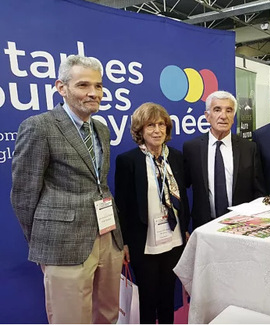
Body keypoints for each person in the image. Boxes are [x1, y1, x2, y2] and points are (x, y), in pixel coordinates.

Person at [10, 55, 124, 323]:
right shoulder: (39, 126)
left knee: (108, 314)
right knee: (70, 319)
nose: (93, 93)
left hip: (107, 236)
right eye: (83, 85)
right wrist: (43, 243)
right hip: (62, 244)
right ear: (62, 87)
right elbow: (23, 195)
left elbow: (100, 183)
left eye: (98, 86)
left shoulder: (101, 129)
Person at [115, 103, 189, 324]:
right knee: (148, 297)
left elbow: (182, 195)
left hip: (173, 238)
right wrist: (124, 242)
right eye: (150, 125)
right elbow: (123, 206)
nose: (157, 130)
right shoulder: (128, 161)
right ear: (140, 130)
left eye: (161, 125)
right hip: (144, 242)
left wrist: (184, 227)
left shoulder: (175, 157)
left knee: (168, 294)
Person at [183, 90, 265, 229]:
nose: (223, 116)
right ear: (207, 116)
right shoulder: (192, 148)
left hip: (242, 224)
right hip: (205, 225)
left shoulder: (249, 148)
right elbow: (183, 187)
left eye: (229, 110)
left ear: (234, 116)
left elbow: (259, 190)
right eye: (217, 110)